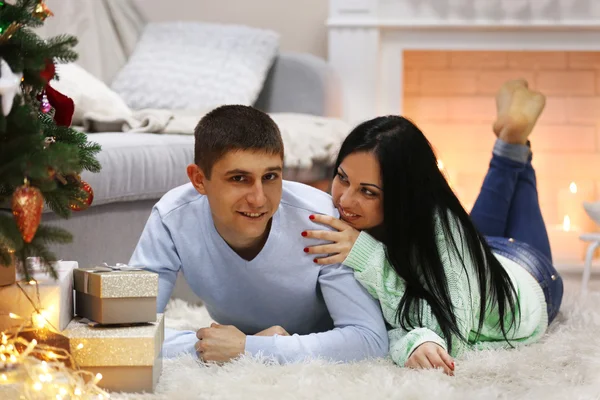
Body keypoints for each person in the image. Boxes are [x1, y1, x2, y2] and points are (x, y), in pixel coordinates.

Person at [302, 79, 564, 375]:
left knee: (464, 233)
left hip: (530, 278)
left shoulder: (443, 230)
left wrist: (368, 255)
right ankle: (512, 141)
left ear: (403, 195)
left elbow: (451, 335)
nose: (345, 200)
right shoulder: (349, 214)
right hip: (479, 259)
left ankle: (514, 144)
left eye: (369, 192)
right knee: (472, 235)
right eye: (342, 177)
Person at [128, 105, 388, 364]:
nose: (259, 199)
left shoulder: (322, 220)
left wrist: (252, 347)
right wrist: (210, 346)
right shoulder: (171, 218)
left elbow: (369, 339)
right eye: (239, 178)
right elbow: (129, 330)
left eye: (270, 176)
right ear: (198, 179)